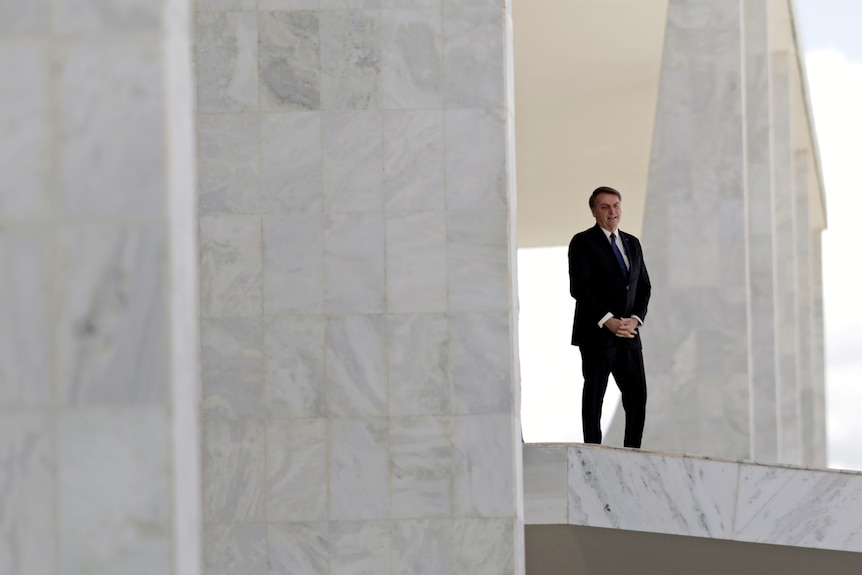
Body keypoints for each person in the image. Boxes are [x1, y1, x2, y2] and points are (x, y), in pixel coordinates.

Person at [568, 186, 651, 448]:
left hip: (628, 333)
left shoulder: (632, 243)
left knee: (637, 394)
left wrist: (635, 319)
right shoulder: (582, 242)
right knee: (595, 395)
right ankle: (593, 449)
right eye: (605, 207)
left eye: (616, 205)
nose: (612, 211)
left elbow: (644, 287)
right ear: (594, 211)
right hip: (597, 334)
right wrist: (608, 320)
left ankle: (633, 452)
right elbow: (580, 288)